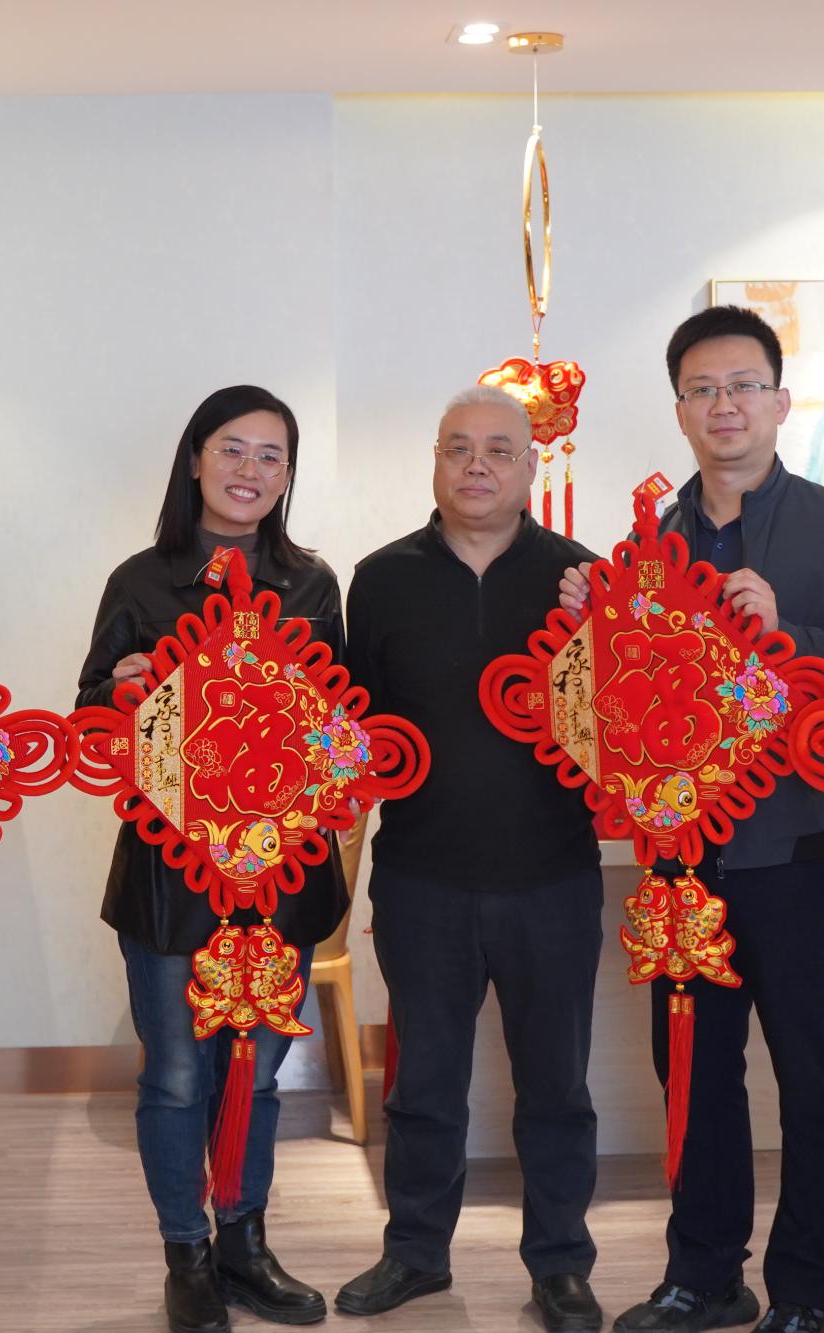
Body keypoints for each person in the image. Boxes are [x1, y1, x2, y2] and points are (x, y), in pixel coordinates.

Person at [564, 306, 824, 1333]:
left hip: (798, 844)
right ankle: (703, 1275)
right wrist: (586, 628)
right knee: (692, 1069)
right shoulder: (647, 540)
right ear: (678, 411)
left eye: (743, 385)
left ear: (780, 402)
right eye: (702, 390)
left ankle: (805, 1292)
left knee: (810, 1068)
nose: (724, 405)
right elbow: (616, 701)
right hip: (680, 852)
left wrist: (788, 630)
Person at [73, 384, 347, 1333]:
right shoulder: (140, 581)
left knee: (255, 1075)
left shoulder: (312, 585)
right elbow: (87, 725)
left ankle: (246, 1243)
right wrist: (121, 690)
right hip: (170, 881)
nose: (250, 470)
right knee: (179, 1076)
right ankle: (185, 1254)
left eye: (272, 455)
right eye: (232, 448)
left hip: (279, 879)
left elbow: (340, 730)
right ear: (194, 459)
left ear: (287, 475)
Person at [334, 384, 606, 1333]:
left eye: (498, 449)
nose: (477, 465)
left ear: (531, 465)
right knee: (422, 1084)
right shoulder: (380, 579)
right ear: (436, 462)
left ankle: (561, 1265)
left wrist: (602, 630)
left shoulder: (583, 578)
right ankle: (415, 1252)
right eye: (458, 448)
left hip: (554, 876)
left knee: (558, 1087)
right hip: (423, 877)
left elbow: (618, 727)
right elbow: (354, 730)